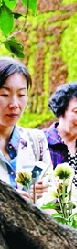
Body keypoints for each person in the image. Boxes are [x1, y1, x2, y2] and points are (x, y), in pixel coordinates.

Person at [0, 57, 52, 199]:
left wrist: (45, 192)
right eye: (4, 94)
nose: (14, 104)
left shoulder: (36, 141)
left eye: (21, 95)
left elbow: (54, 204)